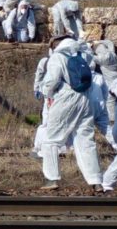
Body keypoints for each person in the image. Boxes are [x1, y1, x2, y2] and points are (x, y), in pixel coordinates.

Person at [38, 38, 103, 191]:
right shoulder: (82, 56)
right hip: (85, 99)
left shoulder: (57, 57)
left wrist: (46, 94)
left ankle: (51, 179)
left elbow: (52, 81)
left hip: (65, 98)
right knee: (85, 141)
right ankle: (96, 181)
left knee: (51, 139)